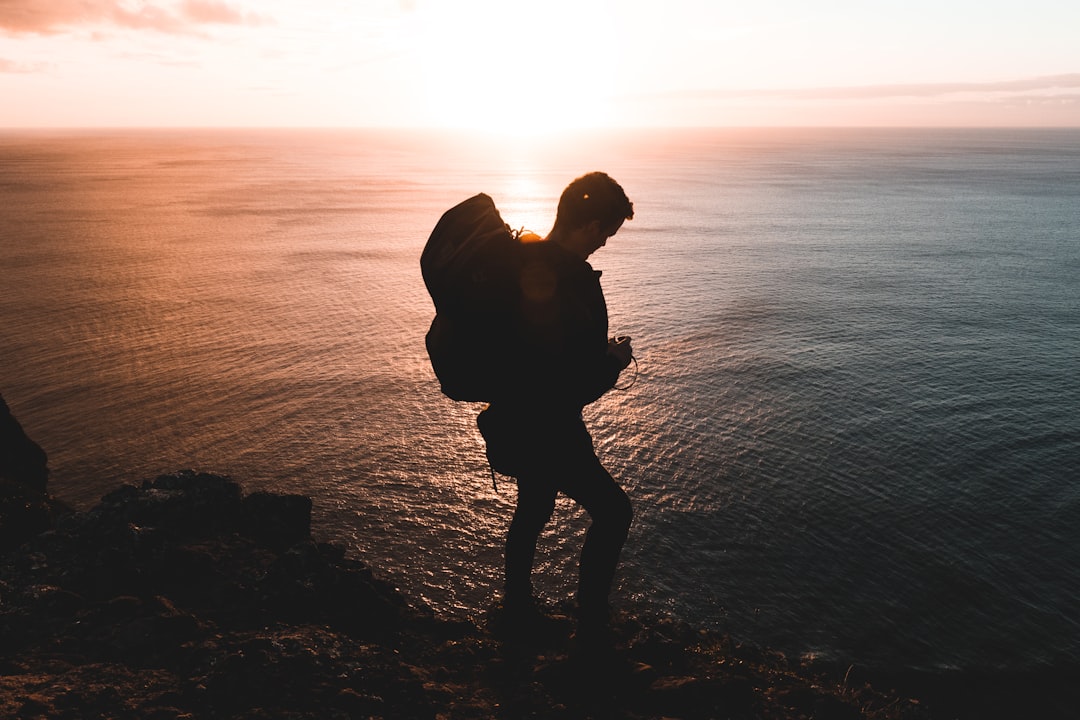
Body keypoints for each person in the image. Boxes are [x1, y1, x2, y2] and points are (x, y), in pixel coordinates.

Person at [476, 171, 635, 644]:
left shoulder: (521, 260)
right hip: (549, 427)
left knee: (534, 507)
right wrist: (613, 362)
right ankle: (591, 629)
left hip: (513, 418)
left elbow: (536, 352)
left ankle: (517, 610)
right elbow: (572, 384)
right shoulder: (572, 283)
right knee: (614, 513)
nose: (604, 244)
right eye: (604, 232)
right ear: (587, 225)